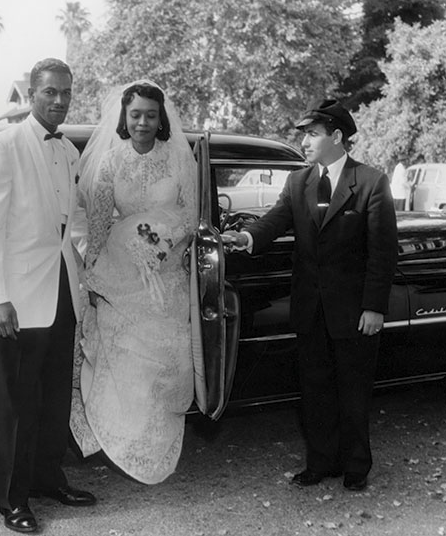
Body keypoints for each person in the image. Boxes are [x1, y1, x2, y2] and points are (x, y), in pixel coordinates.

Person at [222, 99, 398, 492]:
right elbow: (274, 221)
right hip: (310, 309)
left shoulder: (371, 181)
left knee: (353, 391)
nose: (304, 142)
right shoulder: (298, 182)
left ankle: (356, 467)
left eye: (312, 134)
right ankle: (320, 463)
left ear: (337, 137)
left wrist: (373, 307)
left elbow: (384, 252)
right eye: (303, 135)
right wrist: (247, 236)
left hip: (354, 312)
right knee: (314, 391)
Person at [0, 58, 96, 534]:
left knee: (52, 401)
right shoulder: (3, 146)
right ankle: (12, 499)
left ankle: (49, 478)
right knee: (17, 404)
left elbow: (74, 225)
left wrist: (86, 269)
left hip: (62, 290)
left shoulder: (69, 150)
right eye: (50, 92)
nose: (60, 101)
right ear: (31, 93)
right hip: (18, 298)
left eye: (66, 92)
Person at [70, 80, 197, 484]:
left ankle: (154, 444)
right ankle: (122, 441)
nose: (143, 122)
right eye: (135, 114)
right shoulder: (110, 162)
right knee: (125, 360)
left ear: (162, 120)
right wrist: (92, 279)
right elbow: (100, 222)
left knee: (163, 363)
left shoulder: (179, 160)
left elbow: (190, 216)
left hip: (167, 276)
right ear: (124, 118)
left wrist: (162, 242)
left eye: (151, 115)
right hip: (120, 278)